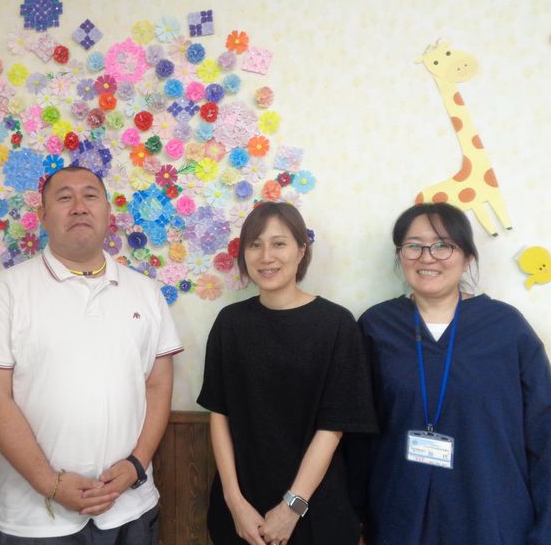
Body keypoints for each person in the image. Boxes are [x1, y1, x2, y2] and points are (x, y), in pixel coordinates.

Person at [0, 166, 182, 544]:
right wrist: (48, 482)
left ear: (108, 212)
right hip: (33, 515)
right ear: (43, 215)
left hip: (129, 505)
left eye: (90, 196)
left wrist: (136, 464)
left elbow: (158, 385)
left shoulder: (146, 292)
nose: (79, 206)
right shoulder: (9, 288)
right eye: (64, 197)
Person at [358, 202, 551, 545]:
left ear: (468, 258)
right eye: (414, 245)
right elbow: (356, 437)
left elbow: (544, 432)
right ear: (400, 255)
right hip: (399, 516)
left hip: (491, 517)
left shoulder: (506, 328)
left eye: (443, 245)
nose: (427, 257)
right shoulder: (376, 326)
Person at [197, 202, 377, 545]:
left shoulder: (337, 324)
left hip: (315, 508)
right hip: (241, 510)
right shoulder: (230, 323)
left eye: (279, 243)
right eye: (255, 244)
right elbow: (219, 414)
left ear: (301, 251)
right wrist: (234, 502)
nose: (266, 256)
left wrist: (292, 507)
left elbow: (333, 427)